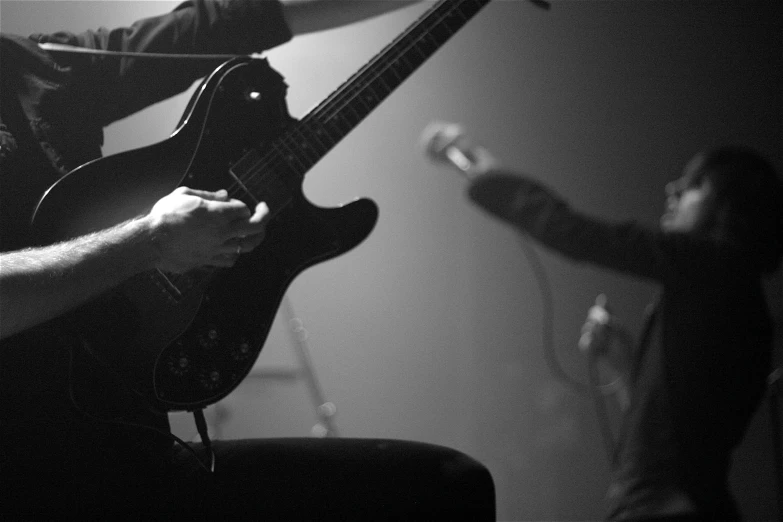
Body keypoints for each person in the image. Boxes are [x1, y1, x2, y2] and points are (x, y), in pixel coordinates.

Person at [0, 3, 496, 518]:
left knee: (447, 487)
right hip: (25, 478)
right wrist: (148, 242)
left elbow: (232, 18)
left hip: (132, 449)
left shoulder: (33, 66)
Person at [423, 122, 782, 520]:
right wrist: (625, 367)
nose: (673, 191)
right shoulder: (737, 299)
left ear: (726, 207)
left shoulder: (712, 266)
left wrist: (491, 179)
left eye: (693, 185)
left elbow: (578, 234)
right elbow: (675, 432)